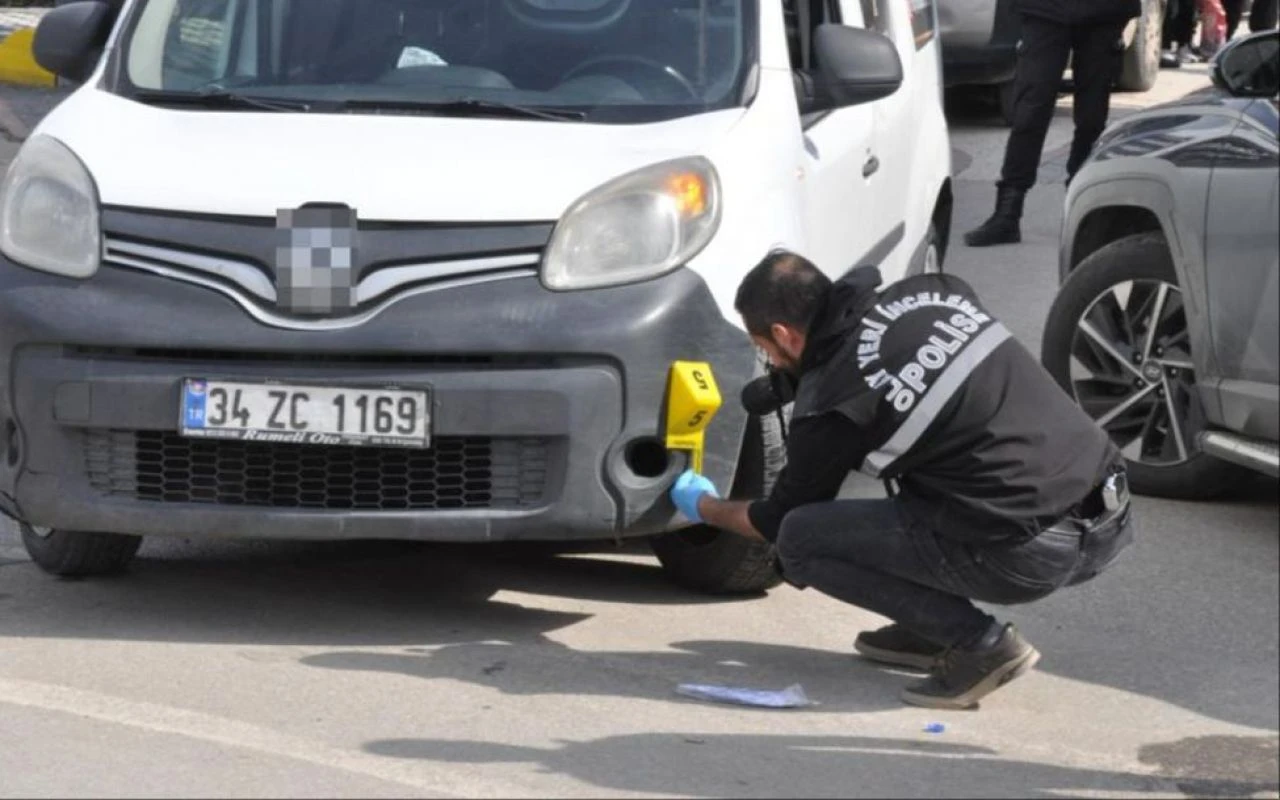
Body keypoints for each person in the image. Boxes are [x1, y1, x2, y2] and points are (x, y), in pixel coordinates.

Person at [669, 251, 1136, 710]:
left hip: (1035, 553)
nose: (767, 358)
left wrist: (704, 506)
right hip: (1110, 504)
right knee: (936, 466)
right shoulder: (935, 293)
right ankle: (928, 626)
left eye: (764, 349)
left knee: (801, 541)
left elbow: (778, 519)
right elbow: (906, 369)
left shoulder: (832, 405)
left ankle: (981, 644)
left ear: (783, 335)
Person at [964, 0, 1142, 247]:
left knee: (1092, 118)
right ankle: (1007, 213)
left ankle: (1084, 214)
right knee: (1030, 112)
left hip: (1104, 12)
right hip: (1045, 10)